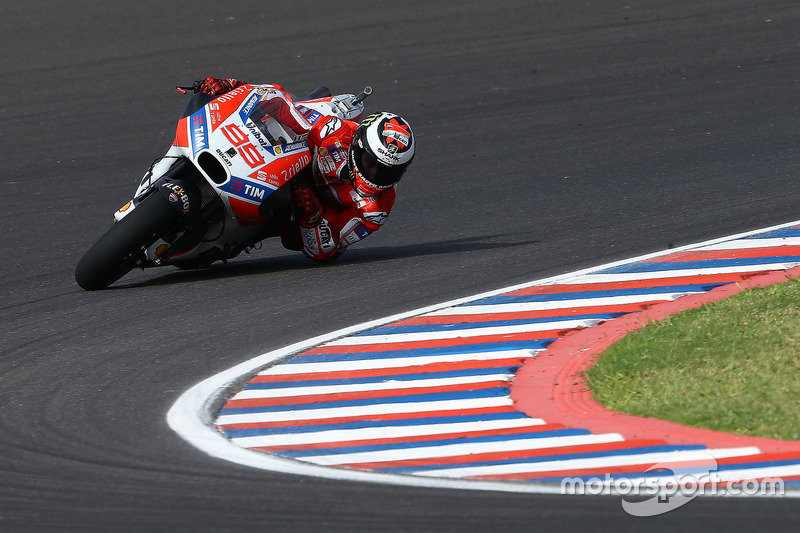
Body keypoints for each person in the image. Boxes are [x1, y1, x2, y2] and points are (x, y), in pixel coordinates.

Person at [194, 77, 416, 261]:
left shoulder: (375, 210)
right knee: (268, 121)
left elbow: (326, 249)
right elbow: (280, 104)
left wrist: (312, 216)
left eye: (388, 172)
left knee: (291, 238)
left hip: (301, 214)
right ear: (358, 145)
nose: (375, 176)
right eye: (371, 163)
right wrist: (231, 87)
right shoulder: (336, 132)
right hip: (285, 163)